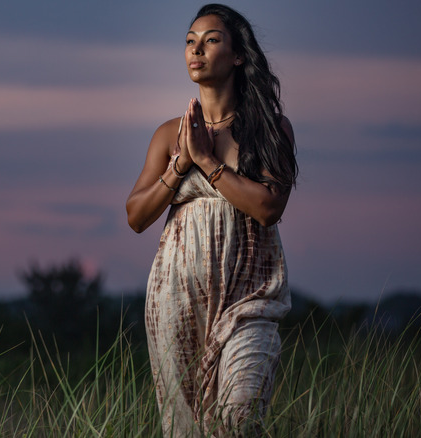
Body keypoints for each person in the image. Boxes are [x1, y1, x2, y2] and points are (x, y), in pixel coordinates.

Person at [126, 4, 297, 436]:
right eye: (189, 41)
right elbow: (136, 215)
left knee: (238, 421)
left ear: (238, 55)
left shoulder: (269, 128)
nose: (195, 49)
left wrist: (207, 160)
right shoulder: (170, 133)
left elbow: (269, 207)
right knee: (184, 429)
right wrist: (180, 165)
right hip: (175, 302)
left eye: (211, 39)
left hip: (249, 299)